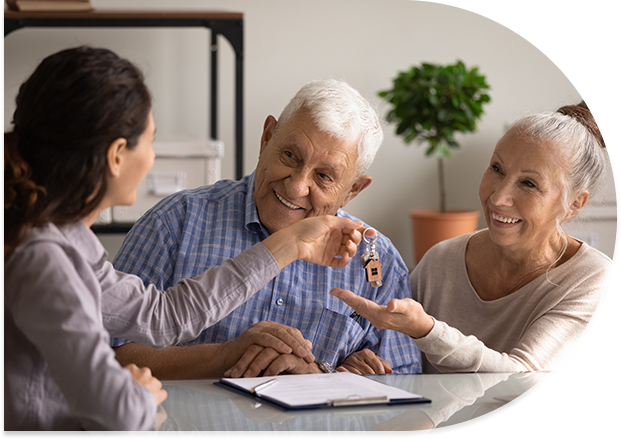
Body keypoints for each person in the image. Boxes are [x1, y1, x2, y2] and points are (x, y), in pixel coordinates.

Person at [0, 46, 368, 439]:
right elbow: (119, 416)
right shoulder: (45, 261)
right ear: (117, 156)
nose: (154, 157)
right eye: (151, 140)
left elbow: (164, 317)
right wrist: (138, 394)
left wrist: (289, 244)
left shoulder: (67, 242)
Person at [111, 79, 422, 378]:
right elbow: (105, 356)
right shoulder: (174, 223)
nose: (297, 186)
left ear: (353, 189)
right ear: (266, 137)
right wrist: (224, 357)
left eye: (324, 177)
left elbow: (406, 392)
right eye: (290, 156)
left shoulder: (377, 261)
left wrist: (325, 377)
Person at [332, 101, 617, 373]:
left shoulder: (591, 276)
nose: (499, 196)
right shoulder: (440, 261)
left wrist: (426, 330)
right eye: (496, 169)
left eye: (529, 184)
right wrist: (364, 364)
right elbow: (397, 359)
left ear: (575, 204)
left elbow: (521, 377)